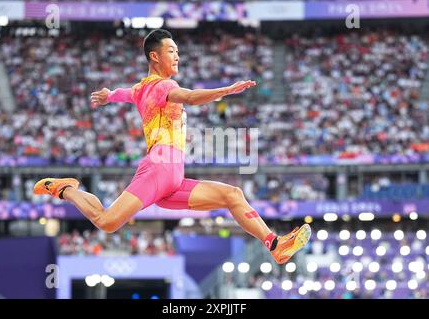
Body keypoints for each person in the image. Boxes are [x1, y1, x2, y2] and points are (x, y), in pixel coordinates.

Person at [33, 29, 311, 264]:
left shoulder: (143, 87)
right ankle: (65, 188)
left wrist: (110, 95)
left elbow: (128, 94)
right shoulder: (164, 86)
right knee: (106, 221)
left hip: (173, 177)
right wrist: (225, 91)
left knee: (233, 195)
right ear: (155, 56)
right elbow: (188, 97)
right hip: (158, 170)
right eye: (171, 51)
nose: (177, 56)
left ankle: (275, 246)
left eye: (178, 51)